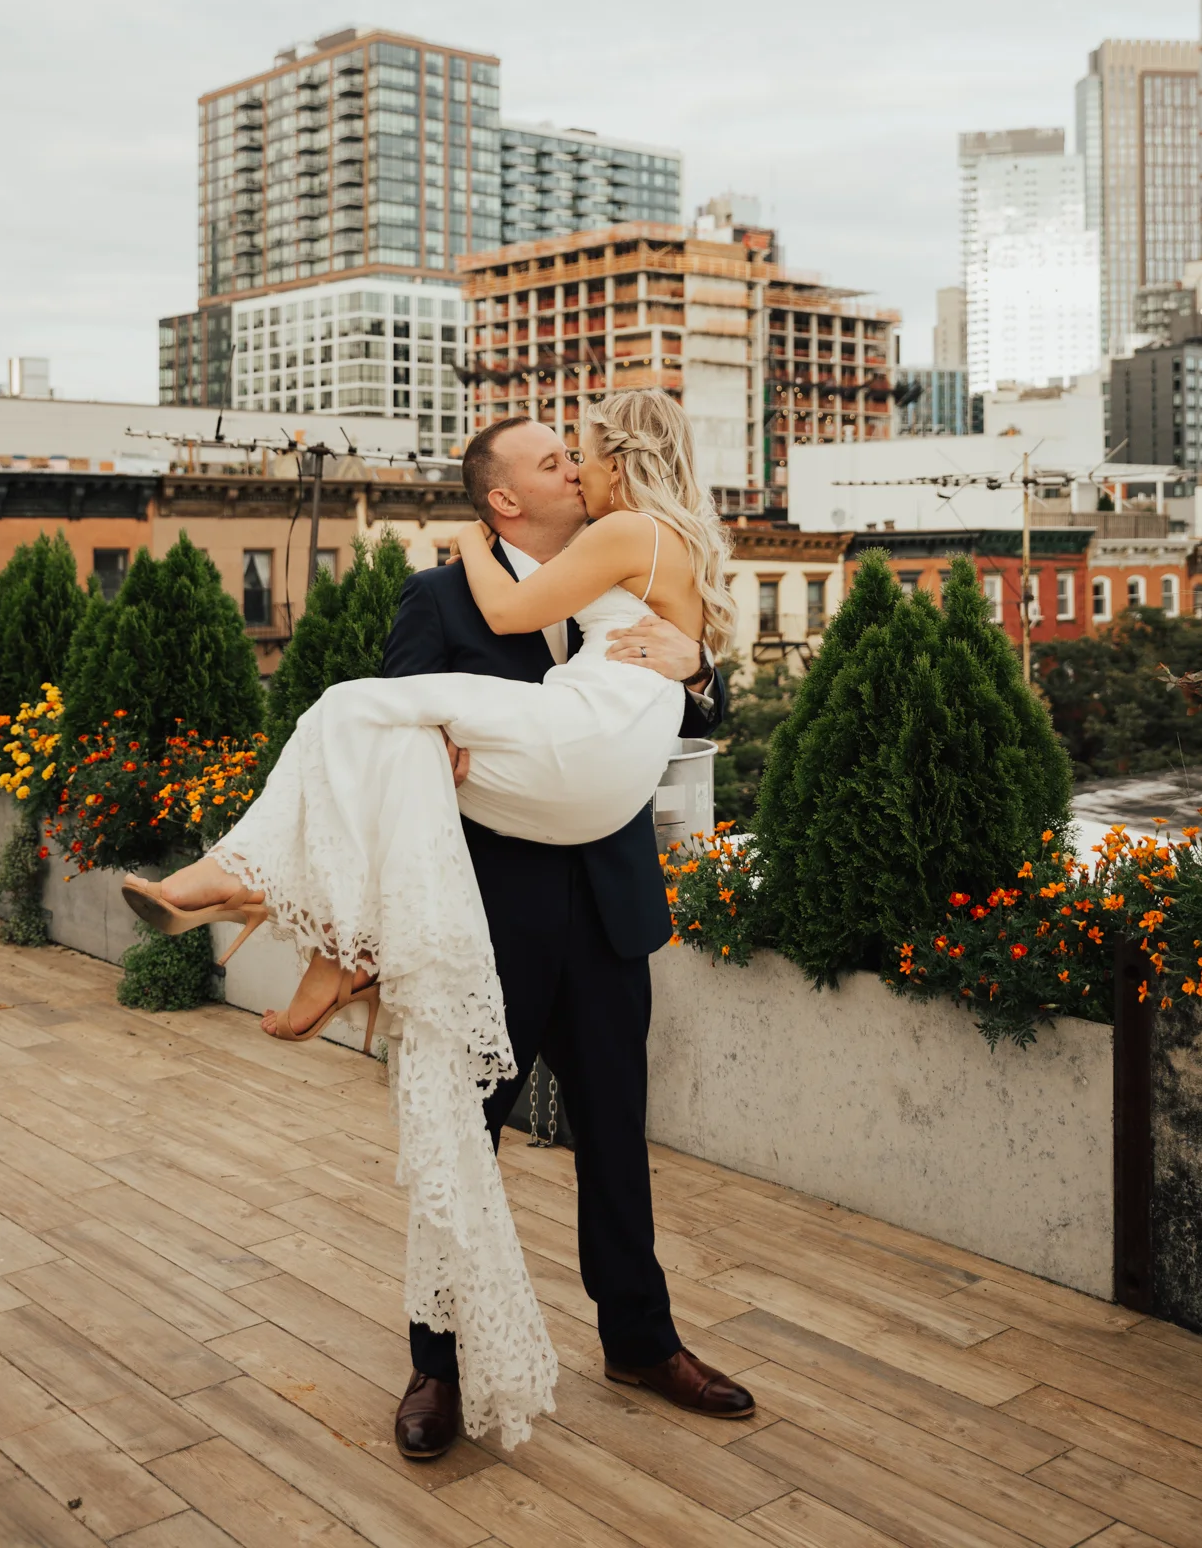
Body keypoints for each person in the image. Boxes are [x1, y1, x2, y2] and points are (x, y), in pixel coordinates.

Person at [119, 388, 756, 1452]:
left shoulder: (631, 554)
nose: (573, 468)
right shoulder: (439, 594)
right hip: (483, 914)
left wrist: (697, 668)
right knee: (459, 1136)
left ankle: (642, 1339)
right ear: (504, 500)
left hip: (604, 903)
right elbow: (402, 710)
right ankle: (438, 1365)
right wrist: (441, 744)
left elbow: (701, 700)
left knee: (617, 1140)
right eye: (552, 461)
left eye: (577, 455)